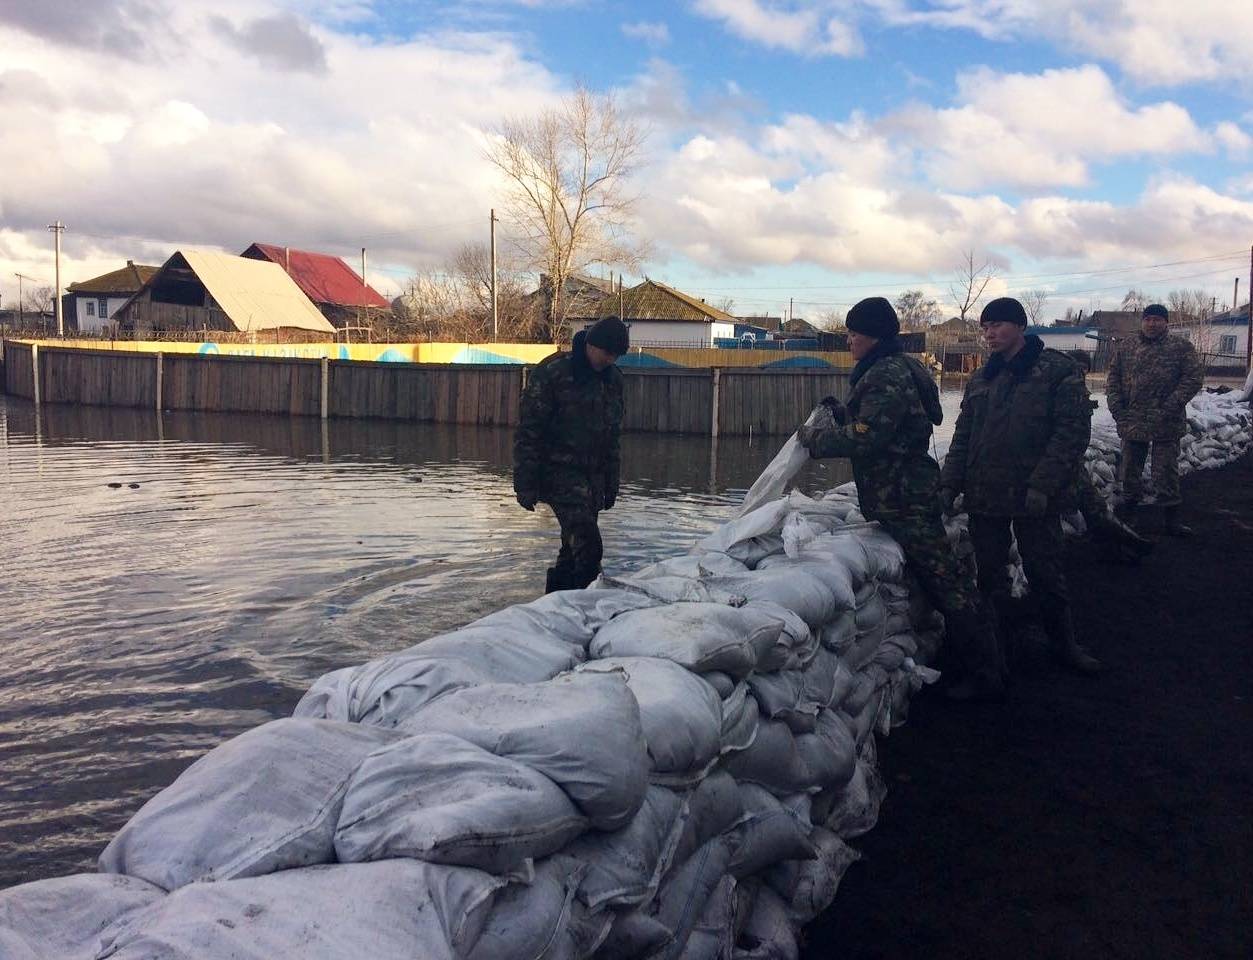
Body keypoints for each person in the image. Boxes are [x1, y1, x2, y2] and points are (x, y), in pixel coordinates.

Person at [798, 297, 1005, 701]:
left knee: (949, 584)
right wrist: (844, 414)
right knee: (939, 578)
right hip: (902, 492)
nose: (849, 341)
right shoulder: (894, 366)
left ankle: (986, 672)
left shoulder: (886, 373)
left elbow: (872, 436)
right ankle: (980, 660)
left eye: (853, 334)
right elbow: (881, 422)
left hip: (904, 496)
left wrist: (818, 440)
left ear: (873, 335)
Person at [940, 297, 1102, 675]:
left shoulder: (1057, 372)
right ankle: (995, 658)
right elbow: (964, 435)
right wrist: (949, 483)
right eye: (985, 327)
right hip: (985, 494)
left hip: (1034, 496)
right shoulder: (983, 377)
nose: (990, 334)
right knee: (988, 578)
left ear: (1020, 327)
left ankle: (1064, 646)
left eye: (997, 325)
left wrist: (1043, 486)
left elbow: (1071, 434)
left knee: (1046, 573)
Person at [513, 315, 628, 593]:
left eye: (616, 356)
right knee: (589, 547)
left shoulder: (613, 381)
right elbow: (529, 431)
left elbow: (612, 437)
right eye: (606, 353)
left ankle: (554, 607)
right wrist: (525, 484)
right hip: (558, 474)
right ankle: (588, 612)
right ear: (591, 344)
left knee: (570, 550)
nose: (610, 360)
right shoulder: (554, 373)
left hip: (593, 477)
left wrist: (611, 485)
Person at [1106, 303, 1204, 536]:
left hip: (1166, 420)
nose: (1152, 324)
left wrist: (1170, 405)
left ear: (1166, 322)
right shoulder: (1127, 347)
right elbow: (1113, 379)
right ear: (1142, 321)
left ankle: (1171, 520)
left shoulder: (1181, 347)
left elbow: (1193, 378)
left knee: (1165, 471)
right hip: (1133, 419)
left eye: (1157, 319)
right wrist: (1117, 410)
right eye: (1148, 319)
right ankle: (1130, 514)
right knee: (1130, 469)